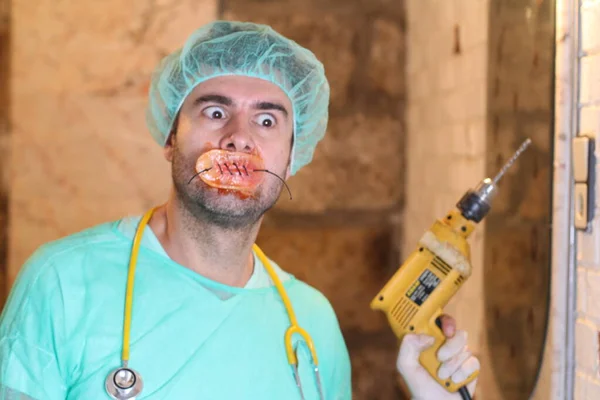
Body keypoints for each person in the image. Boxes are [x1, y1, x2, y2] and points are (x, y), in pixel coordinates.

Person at [0, 20, 479, 399]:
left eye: (267, 119)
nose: (239, 137)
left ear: (291, 158)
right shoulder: (61, 283)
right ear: (170, 136)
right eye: (214, 112)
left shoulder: (313, 326)